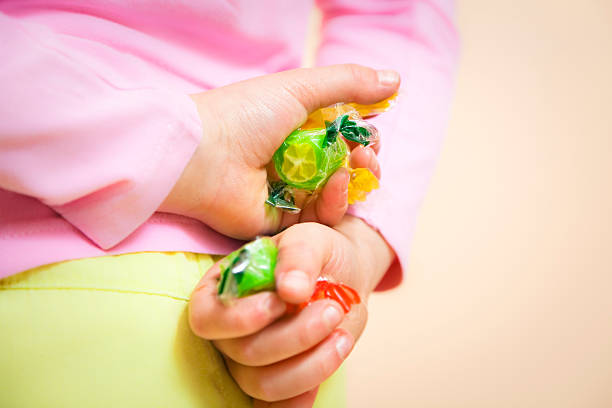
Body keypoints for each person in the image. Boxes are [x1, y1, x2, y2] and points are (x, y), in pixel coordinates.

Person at [0, 1, 458, 407]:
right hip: (285, 304)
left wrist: (347, 243)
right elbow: (401, 14)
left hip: (281, 294)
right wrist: (358, 238)